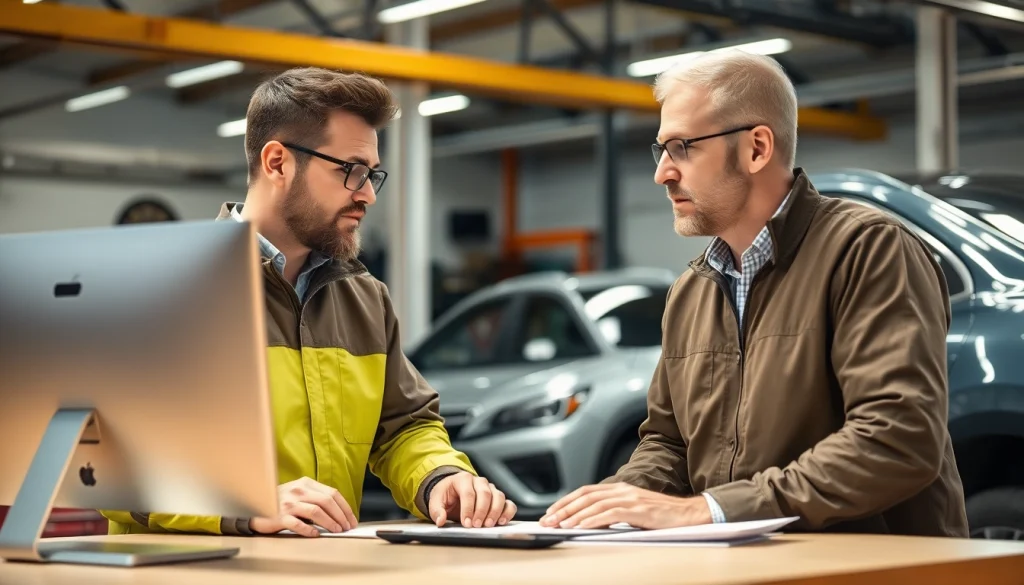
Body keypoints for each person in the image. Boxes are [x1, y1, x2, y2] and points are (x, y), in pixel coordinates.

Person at [540, 51, 969, 536]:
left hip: (877, 564)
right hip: (750, 563)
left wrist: (712, 510)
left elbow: (896, 438)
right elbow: (670, 443)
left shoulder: (868, 251)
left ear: (757, 149)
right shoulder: (692, 291)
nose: (663, 173)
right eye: (660, 150)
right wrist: (609, 507)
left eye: (681, 147)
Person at [102, 67, 516, 537]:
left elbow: (404, 425)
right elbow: (107, 463)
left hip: (321, 563)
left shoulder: (364, 299)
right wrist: (246, 502)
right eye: (350, 171)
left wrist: (441, 477)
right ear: (278, 163)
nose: (367, 195)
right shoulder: (160, 286)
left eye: (372, 174)